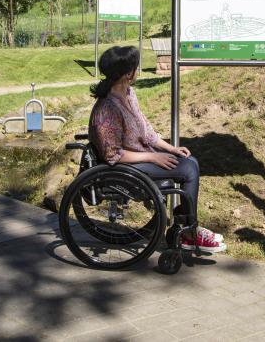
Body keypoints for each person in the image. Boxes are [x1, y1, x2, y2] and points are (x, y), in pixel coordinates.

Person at [89, 45, 226, 253]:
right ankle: (189, 232)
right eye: (136, 67)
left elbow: (146, 132)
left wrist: (172, 148)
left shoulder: (128, 94)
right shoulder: (108, 108)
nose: (138, 70)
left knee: (191, 161)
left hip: (139, 158)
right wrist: (153, 158)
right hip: (121, 167)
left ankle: (184, 227)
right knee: (189, 169)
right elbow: (113, 154)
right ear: (128, 73)